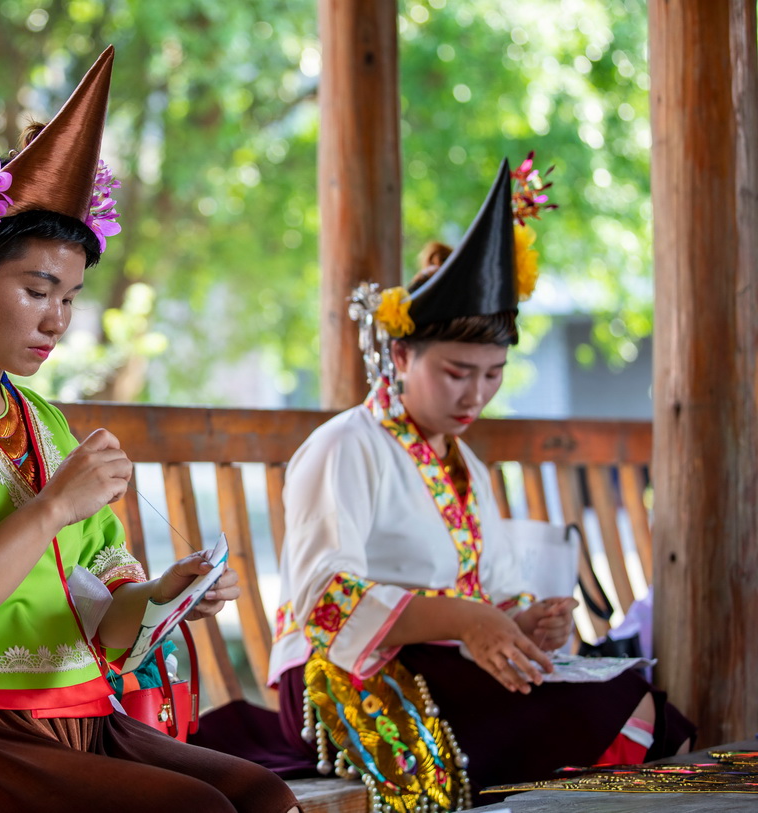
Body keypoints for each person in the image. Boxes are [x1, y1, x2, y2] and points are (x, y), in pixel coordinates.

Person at [0, 47, 299, 813]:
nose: (57, 321)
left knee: (263, 796)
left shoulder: (43, 422)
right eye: (38, 289)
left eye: (69, 297)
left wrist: (164, 594)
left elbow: (102, 599)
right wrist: (53, 507)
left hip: (66, 715)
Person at [266, 157, 693, 809]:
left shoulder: (468, 466)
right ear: (402, 355)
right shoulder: (345, 445)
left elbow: (490, 586)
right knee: (625, 714)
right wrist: (467, 618)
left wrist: (520, 620)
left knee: (654, 717)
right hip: (350, 675)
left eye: (493, 374)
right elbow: (326, 601)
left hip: (444, 663)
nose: (476, 394)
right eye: (458, 371)